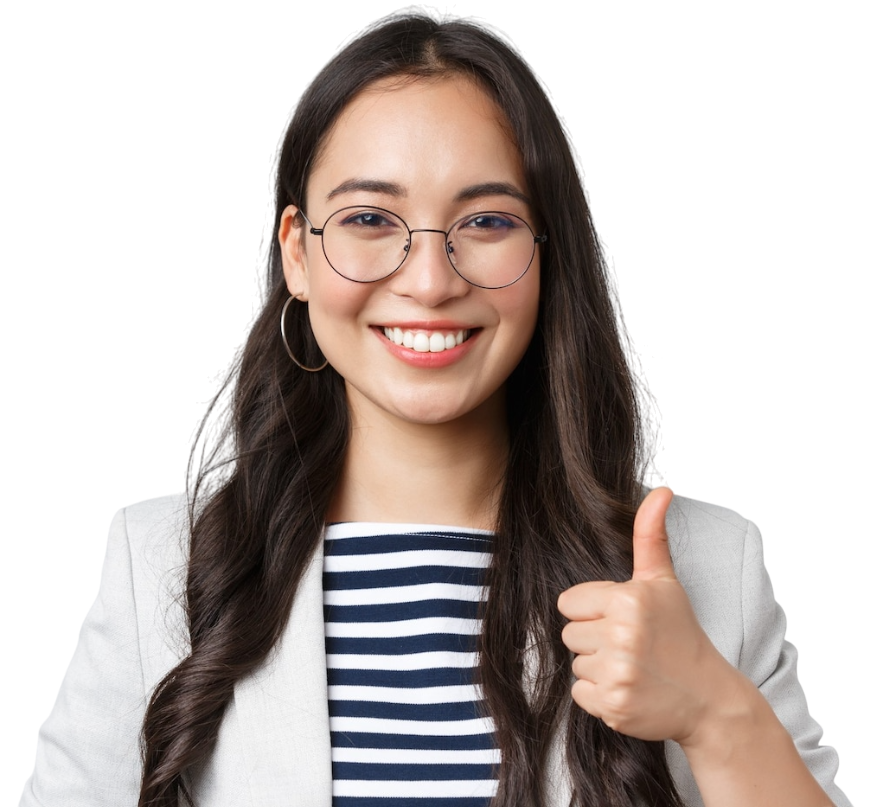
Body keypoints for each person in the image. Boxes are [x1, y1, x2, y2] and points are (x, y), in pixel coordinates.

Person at [19, 7, 849, 807]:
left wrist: (716, 714)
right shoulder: (156, 562)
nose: (429, 280)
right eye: (370, 218)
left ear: (546, 255)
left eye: (486, 219)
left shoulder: (712, 570)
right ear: (298, 255)